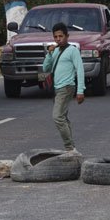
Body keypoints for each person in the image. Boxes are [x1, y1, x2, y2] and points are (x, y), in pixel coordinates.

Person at [42, 22, 85, 151]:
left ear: (67, 36)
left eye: (61, 36)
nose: (58, 39)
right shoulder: (54, 51)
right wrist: (49, 54)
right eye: (55, 37)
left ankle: (69, 147)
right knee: (63, 118)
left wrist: (80, 91)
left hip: (67, 87)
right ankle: (71, 147)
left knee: (57, 117)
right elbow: (45, 68)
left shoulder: (72, 50)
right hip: (57, 88)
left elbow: (80, 70)